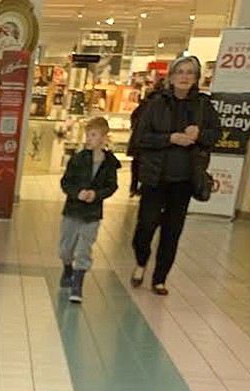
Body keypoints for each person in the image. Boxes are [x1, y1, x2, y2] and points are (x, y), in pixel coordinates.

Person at [127, 55, 219, 295]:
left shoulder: (203, 105)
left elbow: (215, 136)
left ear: (196, 78)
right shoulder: (155, 103)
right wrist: (169, 138)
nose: (185, 76)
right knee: (146, 225)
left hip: (185, 179)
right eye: (180, 72)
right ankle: (141, 260)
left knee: (172, 230)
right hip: (155, 177)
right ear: (171, 76)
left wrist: (198, 135)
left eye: (190, 72)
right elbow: (140, 139)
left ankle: (160, 278)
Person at [59, 115, 120, 303]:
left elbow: (112, 186)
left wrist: (97, 194)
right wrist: (77, 193)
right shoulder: (77, 159)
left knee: (84, 249)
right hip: (72, 210)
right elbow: (66, 182)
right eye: (87, 135)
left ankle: (77, 284)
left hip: (92, 214)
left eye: (93, 135)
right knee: (65, 249)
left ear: (103, 137)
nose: (89, 139)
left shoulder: (109, 164)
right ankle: (67, 269)